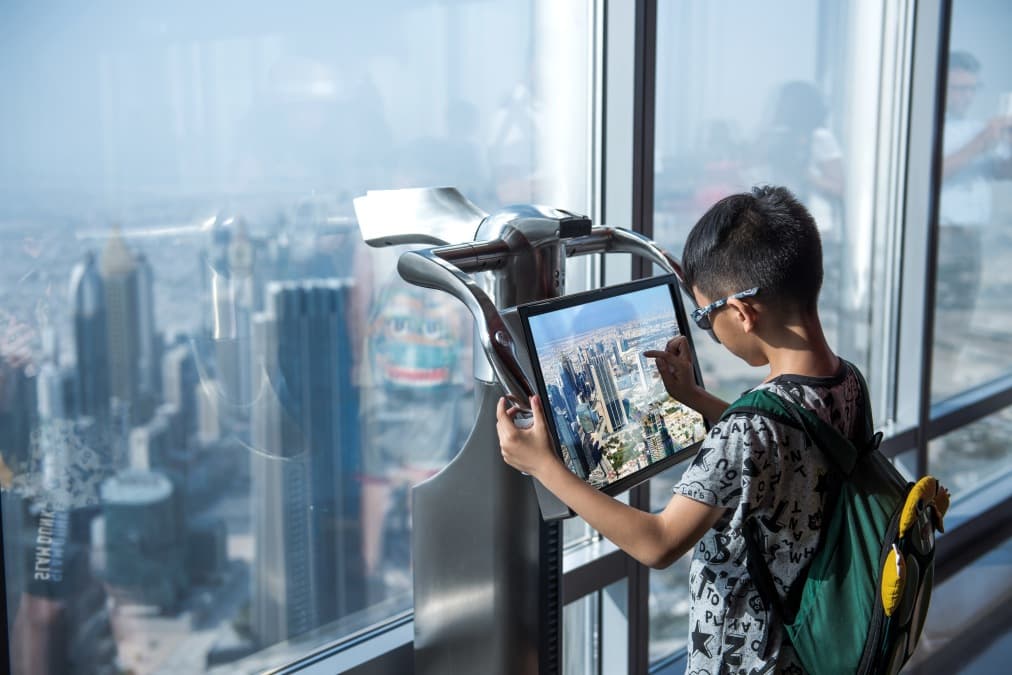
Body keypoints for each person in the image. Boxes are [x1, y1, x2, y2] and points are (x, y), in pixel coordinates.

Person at [497, 185, 868, 673]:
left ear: (742, 312)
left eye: (706, 316)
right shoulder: (846, 381)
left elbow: (658, 543)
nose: (708, 331)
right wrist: (695, 398)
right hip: (818, 649)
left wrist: (544, 465)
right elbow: (784, 448)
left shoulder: (747, 428)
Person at [937, 50, 1012, 323]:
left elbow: (1003, 171)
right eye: (959, 89)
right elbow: (929, 175)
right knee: (934, 316)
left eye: (972, 89)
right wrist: (980, 144)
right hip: (938, 238)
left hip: (970, 240)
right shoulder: (924, 128)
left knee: (960, 319)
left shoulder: (976, 127)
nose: (966, 97)